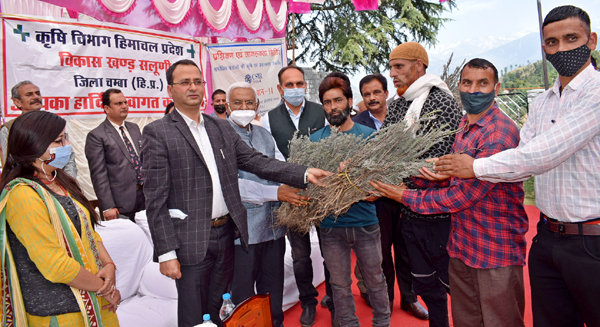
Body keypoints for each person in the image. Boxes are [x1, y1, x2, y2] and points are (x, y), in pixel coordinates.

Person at [432, 6, 600, 327]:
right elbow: (523, 162)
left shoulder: (596, 93)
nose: (561, 48)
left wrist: (474, 168)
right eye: (552, 42)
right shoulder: (542, 103)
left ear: (590, 40)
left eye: (571, 38)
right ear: (544, 48)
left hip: (592, 241)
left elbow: (543, 154)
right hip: (548, 238)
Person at [141, 59, 330, 327]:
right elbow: (155, 199)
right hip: (191, 239)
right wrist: (167, 253)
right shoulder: (157, 133)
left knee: (222, 311)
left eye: (198, 81)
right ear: (170, 89)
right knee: (195, 315)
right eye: (185, 82)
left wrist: (304, 173)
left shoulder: (218, 128)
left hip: (228, 234)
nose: (193, 87)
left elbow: (257, 162)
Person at [372, 58, 528, 327]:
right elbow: (453, 168)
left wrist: (402, 195)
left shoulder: (498, 133)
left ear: (497, 88)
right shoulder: (464, 126)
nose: (473, 90)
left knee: (499, 320)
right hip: (462, 246)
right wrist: (430, 168)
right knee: (466, 320)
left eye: (483, 83)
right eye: (467, 83)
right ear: (459, 86)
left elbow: (461, 197)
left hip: (494, 252)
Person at [0, 110, 120, 326]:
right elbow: (55, 265)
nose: (67, 144)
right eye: (59, 140)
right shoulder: (22, 195)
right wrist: (105, 288)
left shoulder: (61, 181)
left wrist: (109, 265)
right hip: (61, 310)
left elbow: (88, 232)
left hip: (94, 296)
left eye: (65, 137)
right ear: (33, 147)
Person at [380, 42, 462, 327]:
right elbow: (383, 151)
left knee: (453, 286)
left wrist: (400, 167)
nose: (393, 74)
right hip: (408, 213)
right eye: (391, 68)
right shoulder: (398, 105)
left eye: (399, 67)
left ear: (419, 66)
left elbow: (441, 159)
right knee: (426, 287)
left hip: (440, 216)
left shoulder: (442, 101)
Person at [226, 82, 309, 327]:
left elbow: (279, 167)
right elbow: (233, 186)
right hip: (243, 233)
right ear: (227, 105)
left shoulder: (264, 134)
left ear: (257, 106)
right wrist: (277, 193)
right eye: (238, 103)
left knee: (273, 291)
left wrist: (303, 180)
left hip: (273, 229)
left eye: (249, 103)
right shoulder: (222, 136)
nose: (244, 108)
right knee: (242, 295)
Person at [310, 75, 390, 327]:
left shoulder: (369, 137)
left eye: (338, 100)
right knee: (339, 284)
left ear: (350, 101)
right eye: (327, 102)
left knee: (375, 279)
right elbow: (311, 188)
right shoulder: (314, 141)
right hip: (331, 227)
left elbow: (383, 180)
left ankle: (383, 323)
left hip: (366, 223)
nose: (333, 107)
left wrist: (372, 189)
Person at [352, 74, 427, 320]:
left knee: (406, 251)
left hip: (405, 196)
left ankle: (409, 299)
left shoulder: (405, 115)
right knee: (381, 254)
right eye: (366, 94)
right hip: (375, 200)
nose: (372, 98)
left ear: (386, 93)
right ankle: (386, 300)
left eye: (376, 92)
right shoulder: (356, 124)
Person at [262, 66, 331, 327]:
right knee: (300, 255)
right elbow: (270, 158)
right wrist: (293, 177)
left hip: (322, 194)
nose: (295, 89)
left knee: (330, 250)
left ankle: (334, 297)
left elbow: (329, 147)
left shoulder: (320, 111)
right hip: (291, 195)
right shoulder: (269, 119)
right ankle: (308, 302)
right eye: (289, 85)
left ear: (305, 85)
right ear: (280, 89)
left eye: (299, 83)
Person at [85, 88, 144, 222]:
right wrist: (108, 206)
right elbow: (98, 174)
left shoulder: (134, 128)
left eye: (125, 102)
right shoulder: (97, 135)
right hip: (121, 202)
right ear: (106, 108)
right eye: (118, 104)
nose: (124, 106)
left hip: (145, 196)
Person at [1, 81, 77, 179]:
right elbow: (9, 164)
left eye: (37, 93)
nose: (35, 97)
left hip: (58, 182)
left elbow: (68, 157)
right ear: (17, 102)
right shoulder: (9, 128)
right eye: (29, 95)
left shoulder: (54, 123)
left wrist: (68, 183)